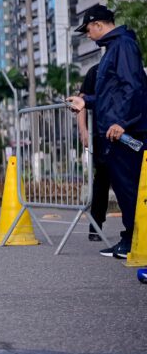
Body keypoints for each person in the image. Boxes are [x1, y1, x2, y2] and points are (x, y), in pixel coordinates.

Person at [67, 4, 147, 259]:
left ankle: (137, 240)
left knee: (130, 189)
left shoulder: (122, 46)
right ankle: (131, 237)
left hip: (123, 132)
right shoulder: (114, 48)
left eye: (88, 29)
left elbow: (133, 87)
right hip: (115, 132)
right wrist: (86, 102)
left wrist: (122, 121)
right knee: (125, 190)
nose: (88, 35)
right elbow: (110, 94)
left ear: (99, 24)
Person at [76, 63, 111, 242]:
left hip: (128, 134)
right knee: (102, 181)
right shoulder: (95, 71)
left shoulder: (131, 67)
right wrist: (83, 130)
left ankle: (135, 229)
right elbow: (80, 102)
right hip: (101, 135)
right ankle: (95, 227)